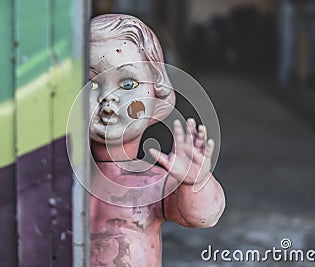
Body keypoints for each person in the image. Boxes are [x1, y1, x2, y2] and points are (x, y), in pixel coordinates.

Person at [88, 14, 225, 266]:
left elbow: (203, 215)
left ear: (156, 96)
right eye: (91, 83)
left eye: (128, 84)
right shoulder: (62, 179)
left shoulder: (150, 182)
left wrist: (196, 182)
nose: (108, 97)